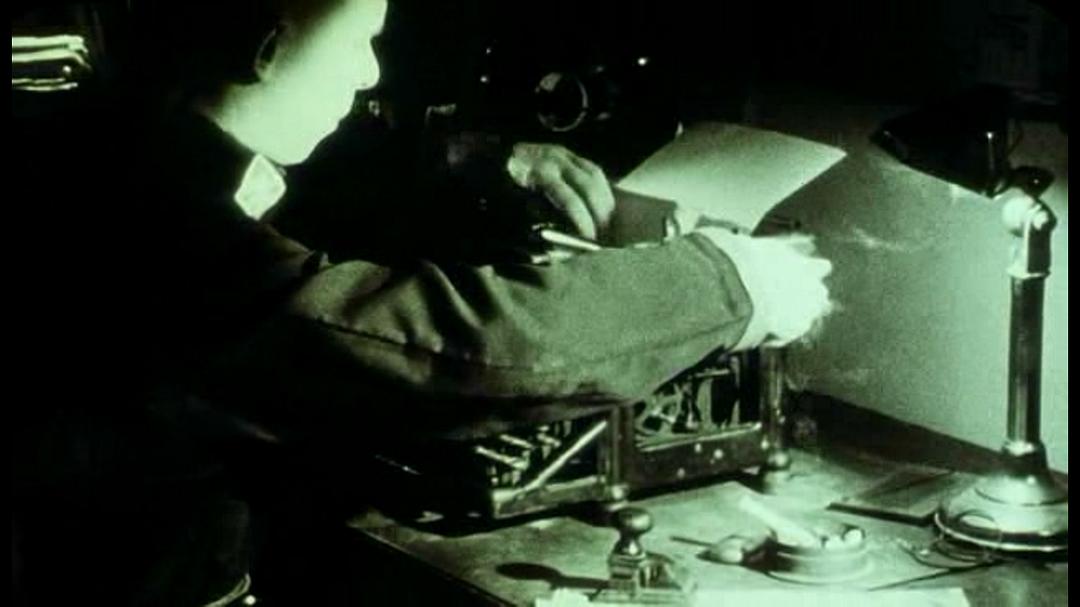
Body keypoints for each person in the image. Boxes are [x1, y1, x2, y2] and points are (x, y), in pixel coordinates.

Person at [12, 0, 831, 605]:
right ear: (266, 48)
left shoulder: (117, 138)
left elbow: (315, 178)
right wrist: (729, 284)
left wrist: (482, 161)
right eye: (361, 40)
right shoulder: (156, 224)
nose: (370, 73)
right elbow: (412, 339)